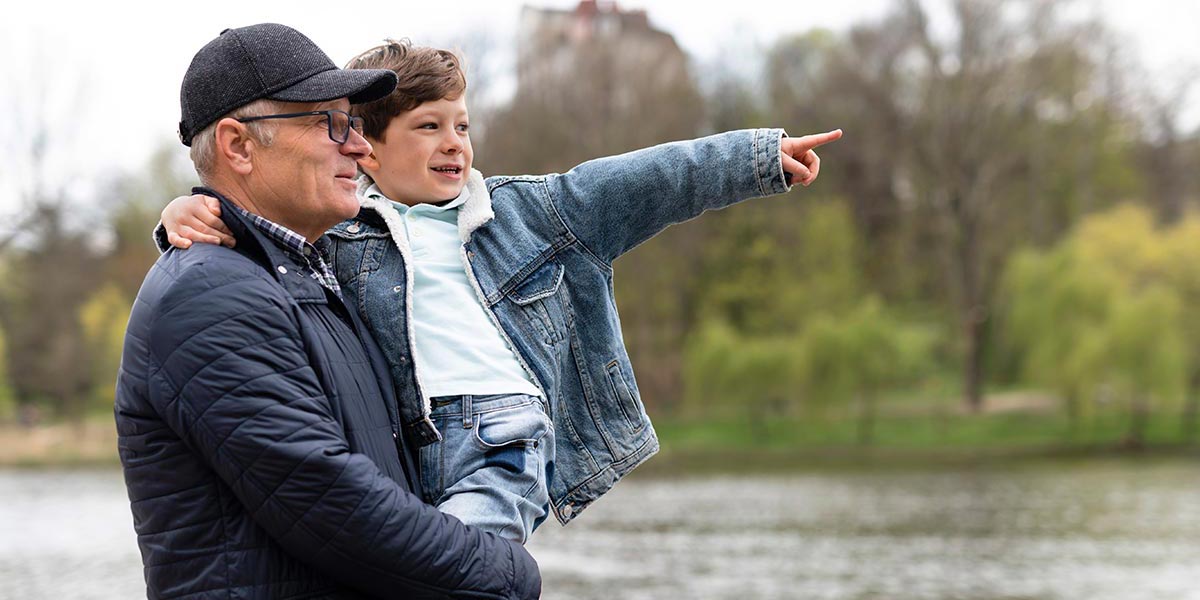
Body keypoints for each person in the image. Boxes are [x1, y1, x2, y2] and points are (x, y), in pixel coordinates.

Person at [161, 38, 842, 545]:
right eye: (429, 127)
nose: (455, 143)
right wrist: (177, 219)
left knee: (453, 568)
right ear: (366, 145)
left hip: (503, 434)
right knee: (405, 560)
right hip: (412, 449)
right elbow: (258, 236)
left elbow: (643, 182)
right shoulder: (341, 238)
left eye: (462, 125)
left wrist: (756, 160)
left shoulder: (525, 215)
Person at [116, 25, 540, 599]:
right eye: (331, 124)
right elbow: (334, 504)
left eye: (357, 125)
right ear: (238, 145)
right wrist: (509, 574)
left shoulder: (312, 277)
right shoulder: (209, 296)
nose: (361, 149)